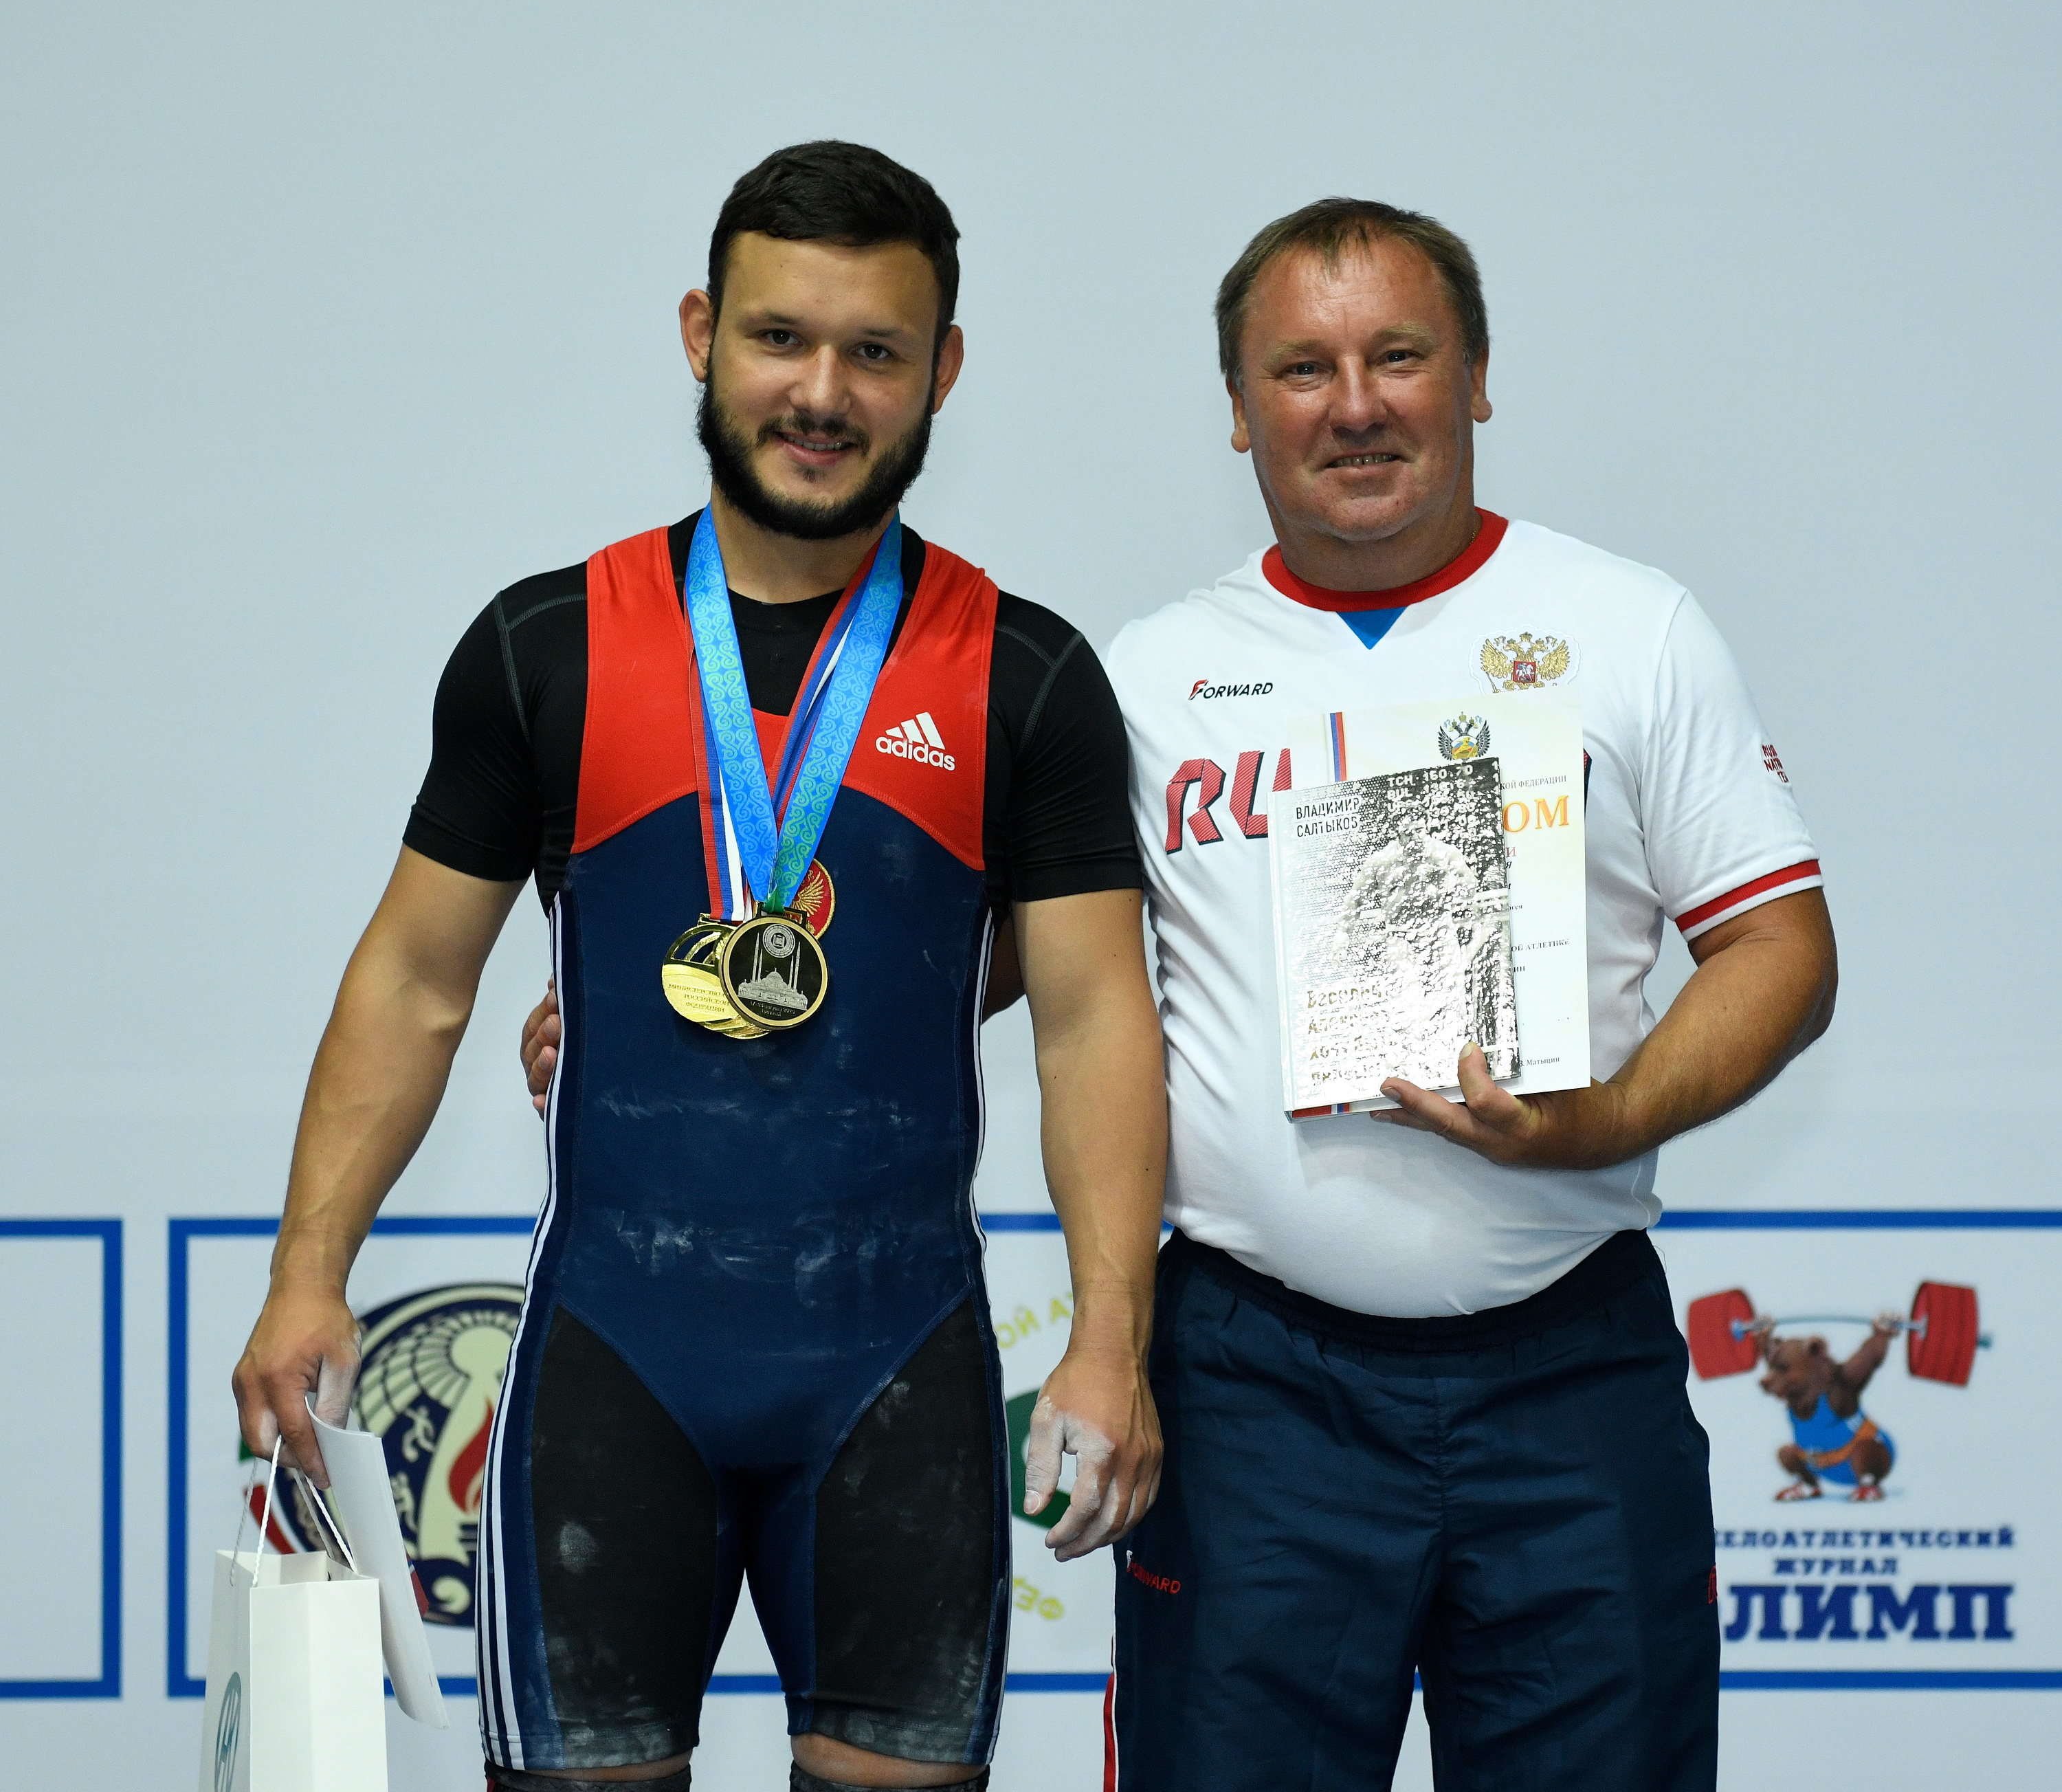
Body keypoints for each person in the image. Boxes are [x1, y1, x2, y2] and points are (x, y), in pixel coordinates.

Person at [232, 141, 1166, 1792]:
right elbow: (415, 982)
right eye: (778, 337)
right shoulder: (547, 646)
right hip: (613, 1358)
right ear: (699, 334)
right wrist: (311, 1269)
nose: (822, 392)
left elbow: (1093, 1017)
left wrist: (1110, 1334)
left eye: (874, 351)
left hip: (898, 1374)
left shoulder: (1024, 671)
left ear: (943, 369)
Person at [1096, 201, 1836, 1789]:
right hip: (1250, 1387)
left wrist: (1604, 1118)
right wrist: (651, 1010)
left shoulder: (1630, 628)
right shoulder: (1143, 678)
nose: (1353, 405)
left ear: (1477, 377)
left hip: (1569, 1370)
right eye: (1302, 367)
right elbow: (988, 967)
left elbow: (1780, 948)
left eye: (1398, 356)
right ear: (1237, 407)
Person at [1757, 1319, 1898, 1501]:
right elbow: (1780, 1364)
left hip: (1864, 1458)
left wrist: (1881, 1335)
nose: (1767, 1379)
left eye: (1783, 1370)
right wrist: (1763, 1338)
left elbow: (1868, 1358)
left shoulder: (1839, 1389)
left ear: (1815, 1356)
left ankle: (1868, 1483)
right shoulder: (1796, 1397)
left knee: (1865, 1449)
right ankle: (1809, 1485)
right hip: (1821, 1465)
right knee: (1787, 1454)